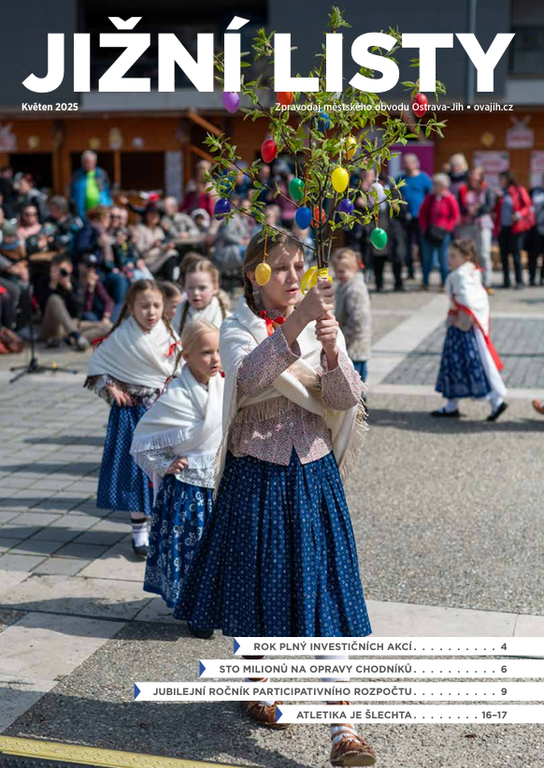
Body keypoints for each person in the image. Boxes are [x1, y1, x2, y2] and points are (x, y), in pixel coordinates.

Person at [175, 230, 375, 767]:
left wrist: (331, 352)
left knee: (324, 597)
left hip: (312, 475)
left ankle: (344, 728)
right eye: (279, 268)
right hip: (256, 475)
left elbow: (343, 400)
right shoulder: (237, 328)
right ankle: (261, 677)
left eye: (297, 266)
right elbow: (249, 376)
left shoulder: (313, 331)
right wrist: (296, 324)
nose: (291, 277)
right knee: (260, 589)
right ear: (252, 277)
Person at [130, 320, 224, 625]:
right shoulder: (175, 397)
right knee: (191, 551)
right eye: (206, 352)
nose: (215, 359)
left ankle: (215, 603)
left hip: (220, 482)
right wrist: (163, 464)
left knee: (219, 549)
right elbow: (141, 439)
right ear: (187, 356)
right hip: (187, 490)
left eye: (219, 351)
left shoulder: (225, 388)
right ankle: (195, 610)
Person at [85, 280, 179, 558]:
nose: (151, 312)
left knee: (165, 474)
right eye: (144, 306)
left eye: (156, 306)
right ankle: (139, 533)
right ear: (131, 307)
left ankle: (161, 529)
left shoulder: (169, 334)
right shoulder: (122, 335)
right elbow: (98, 364)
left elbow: (180, 367)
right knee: (137, 474)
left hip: (163, 413)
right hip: (131, 413)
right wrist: (111, 386)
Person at [432, 239, 507, 422]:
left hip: (463, 331)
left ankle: (495, 401)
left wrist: (461, 323)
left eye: (453, 256)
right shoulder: (469, 273)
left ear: (466, 257)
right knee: (460, 366)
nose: (448, 259)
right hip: (464, 329)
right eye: (448, 255)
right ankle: (452, 404)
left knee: (475, 366)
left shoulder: (461, 276)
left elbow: (467, 302)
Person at [332, 248, 371, 382]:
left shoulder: (355, 289)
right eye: (337, 271)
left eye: (342, 271)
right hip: (349, 345)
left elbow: (358, 320)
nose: (339, 275)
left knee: (354, 382)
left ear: (354, 268)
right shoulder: (345, 285)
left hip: (355, 346)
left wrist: (342, 339)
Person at [35, 254, 89, 350]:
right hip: (53, 327)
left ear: (70, 268)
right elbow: (41, 307)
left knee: (106, 327)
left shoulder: (75, 282)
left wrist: (69, 288)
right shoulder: (45, 281)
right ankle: (75, 336)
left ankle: (69, 339)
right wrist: (52, 285)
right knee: (54, 298)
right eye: (57, 270)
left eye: (62, 270)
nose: (60, 273)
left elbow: (79, 308)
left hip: (71, 324)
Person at [418, 173, 461, 290]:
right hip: (429, 232)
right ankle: (425, 282)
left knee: (444, 259)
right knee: (427, 259)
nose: (435, 187)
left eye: (437, 185)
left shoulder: (449, 199)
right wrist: (424, 228)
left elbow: (455, 216)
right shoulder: (430, 198)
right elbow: (422, 214)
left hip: (443, 234)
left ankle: (444, 283)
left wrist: (447, 228)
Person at [494, 171, 535, 289]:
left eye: (502, 179)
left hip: (516, 228)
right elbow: (496, 210)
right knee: (504, 256)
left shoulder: (519, 190)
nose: (500, 181)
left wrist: (519, 214)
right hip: (503, 228)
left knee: (516, 255)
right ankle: (506, 281)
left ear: (508, 179)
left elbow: (528, 206)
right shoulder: (501, 193)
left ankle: (519, 281)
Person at [457, 168, 496, 291]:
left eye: (476, 175)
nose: (474, 177)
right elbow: (459, 205)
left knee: (483, 253)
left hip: (482, 224)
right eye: (472, 174)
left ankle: (486, 282)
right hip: (467, 225)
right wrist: (468, 210)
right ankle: (467, 281)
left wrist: (477, 210)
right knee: (467, 253)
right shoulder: (463, 189)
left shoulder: (487, 188)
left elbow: (490, 205)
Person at [173, 258, 229, 337]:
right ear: (184, 287)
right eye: (190, 287)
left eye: (202, 288)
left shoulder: (227, 319)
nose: (196, 293)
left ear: (215, 288)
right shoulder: (178, 313)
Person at [398, 153, 432, 280]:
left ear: (415, 164)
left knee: (422, 246)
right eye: (405, 163)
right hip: (405, 218)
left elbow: (430, 196)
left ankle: (425, 274)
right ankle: (410, 271)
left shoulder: (424, 178)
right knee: (406, 246)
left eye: (409, 163)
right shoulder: (400, 179)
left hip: (420, 218)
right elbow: (395, 194)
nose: (406, 165)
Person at [133, 203, 179, 280]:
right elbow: (139, 249)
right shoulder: (140, 229)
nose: (154, 217)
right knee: (171, 254)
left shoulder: (158, 230)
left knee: (172, 252)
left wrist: (167, 247)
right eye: (152, 214)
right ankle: (170, 281)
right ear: (146, 215)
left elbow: (162, 245)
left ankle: (171, 279)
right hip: (148, 260)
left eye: (156, 214)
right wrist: (152, 245)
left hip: (160, 257)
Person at [70, 150, 113, 220]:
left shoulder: (101, 174)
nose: (87, 164)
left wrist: (107, 205)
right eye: (85, 162)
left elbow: (107, 191)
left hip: (99, 212)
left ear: (94, 162)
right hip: (81, 211)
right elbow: (71, 192)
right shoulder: (77, 175)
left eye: (89, 162)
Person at [527, 175, 544, 287]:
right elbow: (528, 206)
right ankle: (532, 278)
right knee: (533, 254)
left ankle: (542, 278)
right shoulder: (535, 191)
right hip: (534, 228)